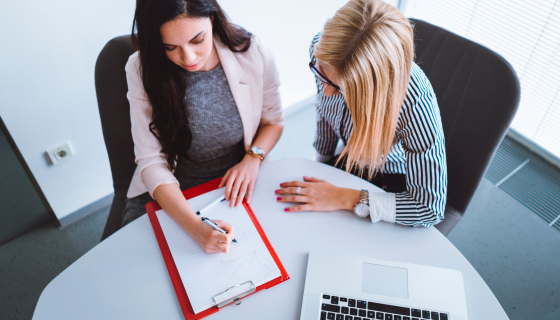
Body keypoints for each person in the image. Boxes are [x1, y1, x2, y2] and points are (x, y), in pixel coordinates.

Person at [123, 0, 284, 253]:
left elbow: (273, 122)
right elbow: (151, 162)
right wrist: (195, 227)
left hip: (238, 179)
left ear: (211, 17)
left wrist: (253, 159)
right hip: (171, 187)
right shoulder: (140, 67)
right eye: (170, 47)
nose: (188, 58)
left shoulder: (253, 51)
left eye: (197, 40)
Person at [276, 0, 447, 227]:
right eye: (321, 75)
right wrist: (321, 162)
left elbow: (428, 210)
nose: (325, 92)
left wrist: (344, 197)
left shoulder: (415, 100)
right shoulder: (323, 51)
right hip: (345, 159)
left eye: (339, 88)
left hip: (387, 176)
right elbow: (325, 114)